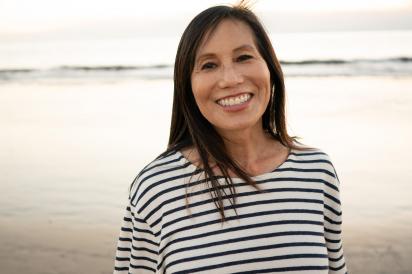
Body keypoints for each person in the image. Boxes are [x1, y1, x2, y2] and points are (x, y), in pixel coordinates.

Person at [113, 2, 348, 274]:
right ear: (187, 85)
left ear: (270, 67)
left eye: (244, 57)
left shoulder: (316, 171)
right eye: (209, 65)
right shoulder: (156, 189)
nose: (230, 79)